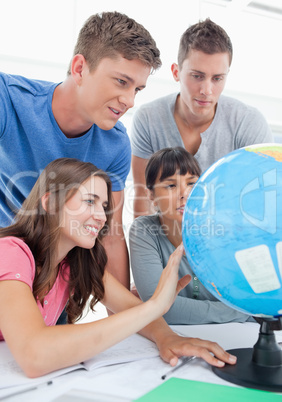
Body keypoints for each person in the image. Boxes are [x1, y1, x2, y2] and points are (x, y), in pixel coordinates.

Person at [0, 157, 237, 378]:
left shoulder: (74, 262)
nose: (102, 217)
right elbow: (34, 355)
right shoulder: (10, 252)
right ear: (51, 202)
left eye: (104, 206)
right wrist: (154, 305)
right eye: (89, 201)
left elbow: (127, 307)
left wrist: (167, 338)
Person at [0, 11, 162, 300]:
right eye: (121, 82)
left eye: (137, 89)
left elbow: (110, 236)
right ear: (79, 68)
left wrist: (125, 322)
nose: (130, 101)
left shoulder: (116, 145)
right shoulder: (8, 100)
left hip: (55, 284)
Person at [131, 18, 273, 217]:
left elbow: (263, 202)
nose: (207, 90)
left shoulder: (248, 123)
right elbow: (143, 199)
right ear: (176, 72)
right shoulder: (148, 119)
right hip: (166, 239)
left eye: (217, 78)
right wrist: (147, 248)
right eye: (197, 76)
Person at [129, 147, 253, 324]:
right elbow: (157, 308)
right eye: (171, 185)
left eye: (191, 183)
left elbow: (248, 302)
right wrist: (235, 312)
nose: (184, 194)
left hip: (243, 332)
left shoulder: (224, 229)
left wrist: (242, 311)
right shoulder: (144, 231)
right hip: (183, 337)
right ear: (151, 195)